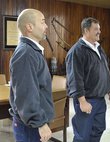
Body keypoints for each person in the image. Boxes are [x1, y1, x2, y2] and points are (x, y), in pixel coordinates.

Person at [65, 17, 110, 142]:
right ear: (86, 31)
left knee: (98, 129)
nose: (99, 31)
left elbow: (105, 70)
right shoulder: (76, 51)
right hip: (86, 100)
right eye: (96, 29)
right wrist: (82, 101)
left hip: (100, 100)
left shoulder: (98, 48)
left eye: (99, 29)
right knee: (82, 135)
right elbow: (75, 78)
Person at [9, 9, 54, 142]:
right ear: (29, 27)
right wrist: (39, 122)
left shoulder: (31, 51)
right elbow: (26, 94)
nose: (46, 26)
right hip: (30, 126)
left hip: (32, 123)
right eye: (42, 22)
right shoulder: (26, 53)